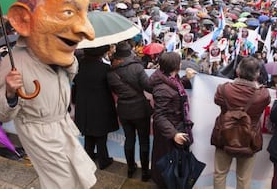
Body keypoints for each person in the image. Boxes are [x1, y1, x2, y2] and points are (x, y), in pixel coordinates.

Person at [0, 0, 97, 188]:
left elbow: (72, 73)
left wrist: (68, 61)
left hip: (63, 125)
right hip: (39, 133)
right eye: (68, 12)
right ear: (22, 19)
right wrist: (11, 93)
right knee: (61, 182)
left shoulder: (55, 54)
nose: (88, 32)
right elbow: (1, 113)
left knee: (77, 175)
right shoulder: (13, 64)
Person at [211, 56, 270, 189]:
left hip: (224, 135)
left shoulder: (223, 89)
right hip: (249, 138)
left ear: (237, 71)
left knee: (220, 174)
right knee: (244, 178)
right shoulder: (263, 94)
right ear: (257, 75)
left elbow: (217, 100)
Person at [148, 52, 197, 188]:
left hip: (174, 127)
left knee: (173, 162)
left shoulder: (168, 78)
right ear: (176, 66)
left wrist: (186, 79)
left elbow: (175, 87)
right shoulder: (162, 89)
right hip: (169, 132)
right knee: (166, 162)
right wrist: (173, 134)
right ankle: (164, 184)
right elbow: (159, 115)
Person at [106, 41, 153, 181]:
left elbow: (114, 90)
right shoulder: (137, 67)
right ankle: (145, 172)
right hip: (140, 108)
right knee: (144, 141)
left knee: (129, 139)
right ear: (129, 53)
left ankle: (130, 169)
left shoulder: (111, 71)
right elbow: (149, 87)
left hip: (123, 109)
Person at [72, 45, 119, 170]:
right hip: (100, 106)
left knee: (88, 133)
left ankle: (88, 157)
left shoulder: (78, 67)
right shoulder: (105, 68)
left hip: (84, 105)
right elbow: (113, 87)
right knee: (101, 135)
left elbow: (75, 85)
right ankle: (103, 160)